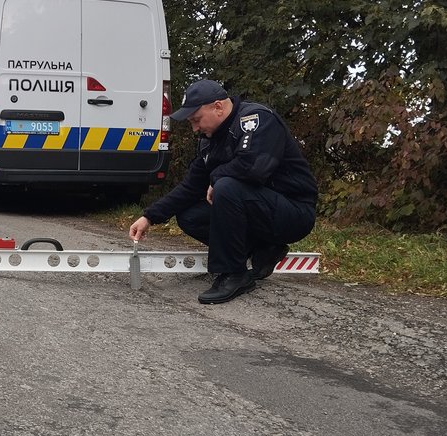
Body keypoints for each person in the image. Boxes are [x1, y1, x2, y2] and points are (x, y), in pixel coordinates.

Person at [129, 79, 317, 304]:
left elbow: (254, 167)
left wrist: (217, 178)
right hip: (259, 211)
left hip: (293, 212)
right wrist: (149, 217)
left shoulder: (257, 120)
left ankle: (234, 274)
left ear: (217, 107)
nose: (195, 128)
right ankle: (264, 248)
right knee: (190, 216)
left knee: (227, 186)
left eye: (196, 120)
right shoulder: (210, 141)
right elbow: (190, 187)